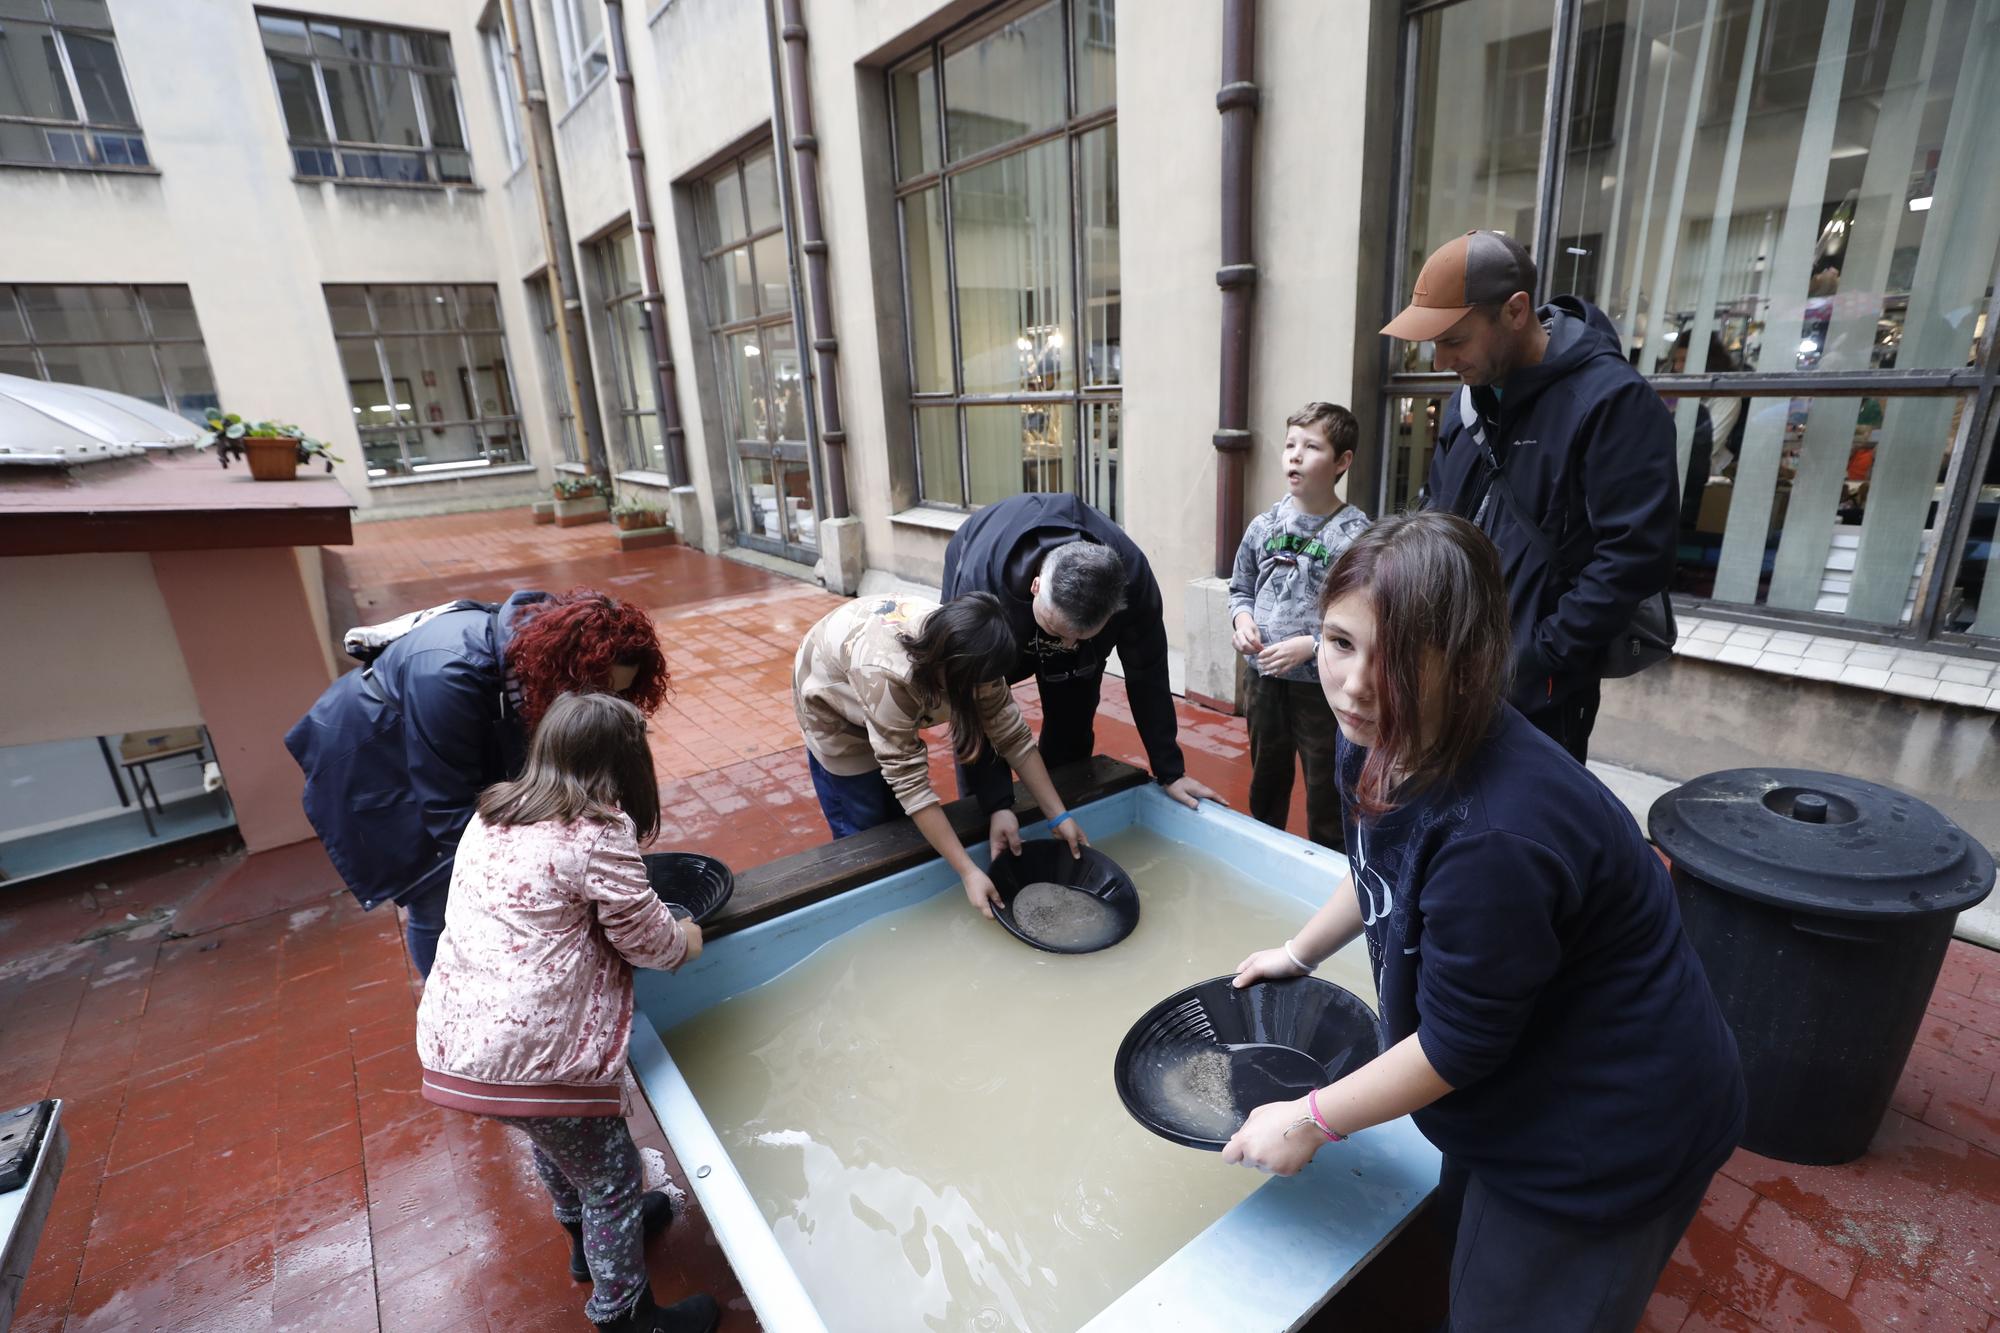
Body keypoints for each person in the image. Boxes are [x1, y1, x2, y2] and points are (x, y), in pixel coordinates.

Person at [1221, 512, 1744, 1333]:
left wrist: (1308, 1117)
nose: (1355, 684)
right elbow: (1379, 872)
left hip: (1610, 1129)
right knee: (1467, 1247)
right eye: (1339, 641)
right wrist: (1299, 950)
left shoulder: (1496, 835)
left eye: (1396, 658)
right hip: (1526, 1086)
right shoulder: (1376, 737)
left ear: (1466, 665)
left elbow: (1461, 1043)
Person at [414, 693, 715, 1333]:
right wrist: (686, 936)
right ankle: (623, 1314)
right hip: (533, 1058)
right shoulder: (598, 833)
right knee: (612, 1174)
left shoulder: (493, 813)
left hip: (458, 1042)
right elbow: (651, 942)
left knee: (553, 1139)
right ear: (624, 762)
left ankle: (584, 1241)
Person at [1387, 229, 1679, 761]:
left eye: (1453, 340)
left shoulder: (1612, 402)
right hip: (1447, 667)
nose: (1438, 362)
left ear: (1516, 311)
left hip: (1536, 692)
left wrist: (1538, 656)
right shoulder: (1466, 403)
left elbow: (1634, 559)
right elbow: (1439, 509)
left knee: (1522, 832)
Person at [286, 588, 670, 976]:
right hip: (373, 759)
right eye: (599, 691)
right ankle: (450, 1009)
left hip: (446, 738)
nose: (605, 703)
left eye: (617, 695)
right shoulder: (449, 672)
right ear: (565, 670)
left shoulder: (544, 653)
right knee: (437, 891)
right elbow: (447, 809)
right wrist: (527, 879)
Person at [940, 492, 1222, 861]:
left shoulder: (1133, 583)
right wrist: (995, 803)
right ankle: (990, 824)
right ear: (1036, 586)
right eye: (1056, 630)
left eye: (1079, 636)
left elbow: (1147, 673)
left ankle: (1060, 822)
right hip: (997, 602)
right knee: (978, 706)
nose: (1066, 644)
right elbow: (972, 705)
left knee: (1072, 719)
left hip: (1067, 613)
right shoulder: (981, 581)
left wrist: (1170, 770)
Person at [794, 592, 1088, 916]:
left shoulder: (979, 655)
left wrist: (1059, 816)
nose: (983, 693)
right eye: (974, 688)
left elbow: (1014, 737)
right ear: (946, 670)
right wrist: (967, 871)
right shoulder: (891, 676)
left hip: (881, 675)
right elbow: (911, 784)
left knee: (899, 817)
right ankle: (872, 914)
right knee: (865, 823)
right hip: (830, 696)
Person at [1228, 401, 1372, 850]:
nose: (1294, 455)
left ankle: (1329, 873)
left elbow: (1368, 616)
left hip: (1323, 687)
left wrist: (1311, 645)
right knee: (1265, 778)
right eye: (1290, 444)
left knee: (1327, 788)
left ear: (1342, 461)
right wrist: (1243, 620)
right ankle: (1264, 854)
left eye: (1311, 447)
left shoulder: (1356, 535)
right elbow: (1241, 588)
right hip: (1264, 677)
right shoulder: (1263, 525)